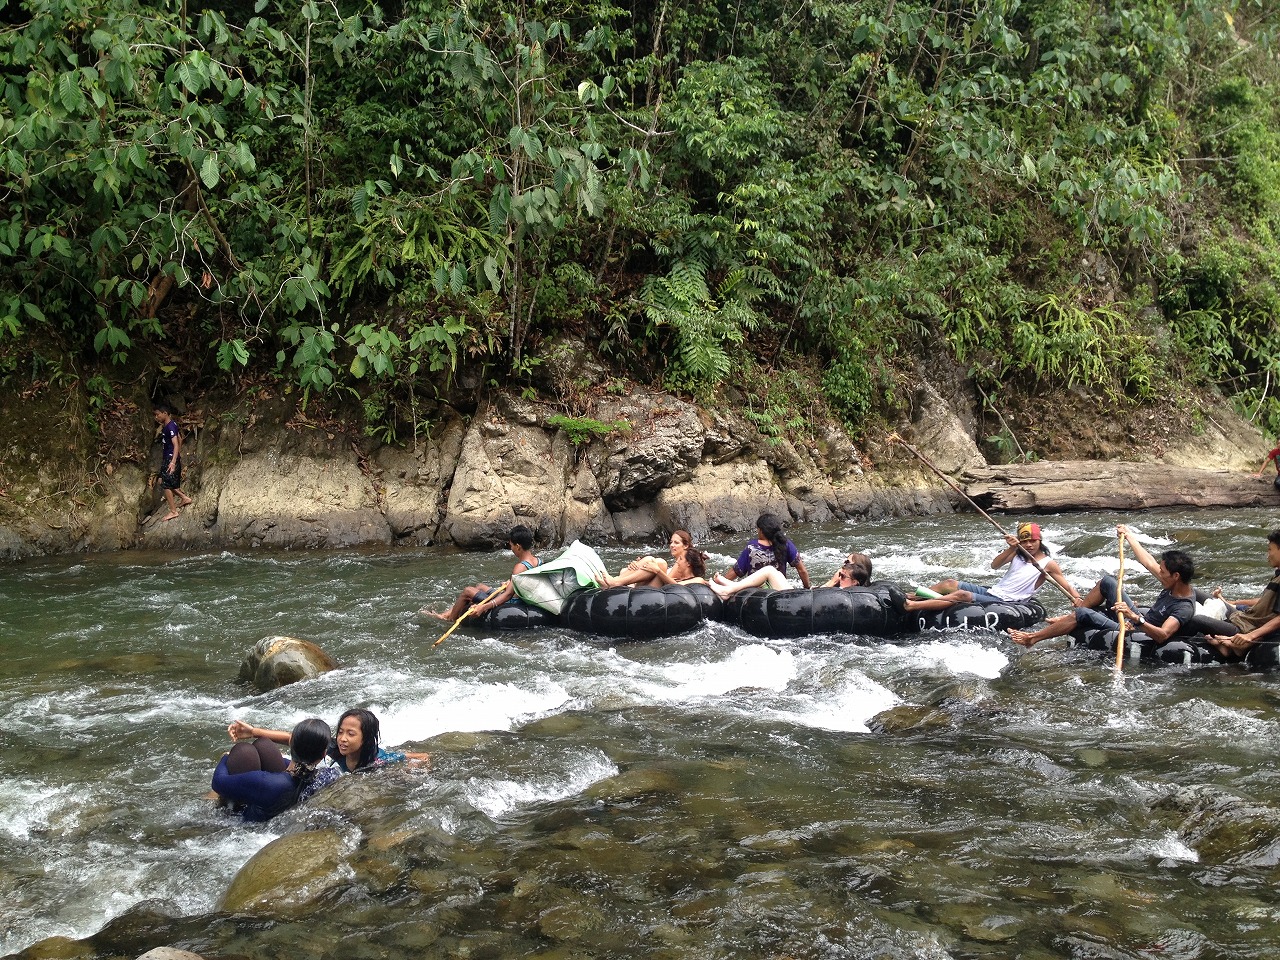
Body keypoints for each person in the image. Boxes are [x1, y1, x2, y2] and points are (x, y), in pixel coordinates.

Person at [1009, 525, 1196, 648]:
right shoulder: (1172, 582)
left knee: (1082, 615)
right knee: (1108, 582)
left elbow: (1163, 635)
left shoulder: (1183, 607)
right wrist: (1129, 536)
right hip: (1137, 619)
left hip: (1136, 630)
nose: (1159, 573)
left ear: (1176, 576)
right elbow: (1147, 562)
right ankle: (1069, 617)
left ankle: (1032, 638)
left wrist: (1135, 618)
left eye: (1163, 571)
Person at [904, 522, 1082, 612]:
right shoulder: (1017, 552)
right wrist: (1012, 547)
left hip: (1009, 602)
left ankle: (912, 606)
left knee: (963, 595)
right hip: (994, 592)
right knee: (950, 583)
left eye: (1033, 541)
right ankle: (913, 596)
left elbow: (1065, 585)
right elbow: (994, 566)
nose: (1029, 545)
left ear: (1040, 540)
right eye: (1025, 541)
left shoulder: (1047, 564)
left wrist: (1077, 599)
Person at [211, 717, 340, 822]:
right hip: (282, 814)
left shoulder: (268, 782)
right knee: (263, 744)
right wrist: (253, 732)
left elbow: (218, 782)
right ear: (324, 754)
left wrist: (225, 758)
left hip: (245, 824)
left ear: (291, 743)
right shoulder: (325, 775)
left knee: (243, 751)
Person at [229, 708, 431, 774]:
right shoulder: (334, 747)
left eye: (351, 734)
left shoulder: (379, 761)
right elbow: (295, 738)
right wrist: (253, 731)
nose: (342, 739)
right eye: (341, 731)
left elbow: (421, 757)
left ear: (366, 738)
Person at [428, 524, 540, 621]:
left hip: (512, 603)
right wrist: (510, 583)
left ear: (518, 546)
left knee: (468, 591)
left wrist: (484, 607)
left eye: (511, 545)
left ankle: (450, 619)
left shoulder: (520, 567)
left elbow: (508, 595)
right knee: (480, 586)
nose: (511, 549)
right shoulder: (538, 561)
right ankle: (446, 614)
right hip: (520, 597)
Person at [1202, 529, 1280, 656]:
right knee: (1199, 594)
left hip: (1249, 626)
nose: (1267, 555)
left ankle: (1234, 649)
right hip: (1247, 618)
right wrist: (1230, 603)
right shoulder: (1277, 576)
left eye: (1270, 549)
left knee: (1198, 620)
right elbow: (1263, 602)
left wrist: (1250, 636)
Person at [711, 552, 868, 599]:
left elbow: (819, 597)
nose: (844, 564)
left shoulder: (849, 589)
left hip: (800, 600)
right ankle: (730, 588)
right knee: (772, 573)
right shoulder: (844, 583)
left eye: (848, 562)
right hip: (803, 597)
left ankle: (728, 590)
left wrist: (835, 579)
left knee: (770, 571)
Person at [717, 513, 811, 589]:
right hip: (779, 591)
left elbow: (735, 572)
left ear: (761, 530)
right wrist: (807, 588)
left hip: (756, 595)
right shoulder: (785, 544)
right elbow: (802, 570)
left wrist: (719, 583)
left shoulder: (752, 547)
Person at [598, 530, 709, 587]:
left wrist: (657, 570)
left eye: (676, 543)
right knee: (649, 560)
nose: (671, 545)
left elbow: (672, 585)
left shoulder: (696, 579)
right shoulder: (679, 565)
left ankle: (615, 583)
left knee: (660, 563)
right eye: (671, 542)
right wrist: (638, 565)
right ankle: (614, 582)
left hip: (655, 593)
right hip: (650, 589)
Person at [153, 401, 193, 521]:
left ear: (165, 413)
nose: (156, 417)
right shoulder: (171, 425)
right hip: (169, 458)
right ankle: (185, 498)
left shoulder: (170, 426)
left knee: (166, 484)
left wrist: (173, 461)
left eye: (158, 414)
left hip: (170, 459)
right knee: (164, 482)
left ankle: (173, 511)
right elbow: (180, 439)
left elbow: (176, 444)